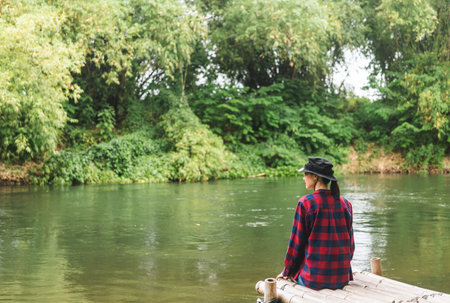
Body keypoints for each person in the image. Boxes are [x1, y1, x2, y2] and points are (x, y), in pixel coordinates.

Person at [276, 157, 354, 290]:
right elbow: (350, 247)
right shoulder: (346, 204)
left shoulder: (306, 203)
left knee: (285, 279)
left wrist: (286, 272)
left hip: (314, 280)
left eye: (306, 174)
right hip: (342, 278)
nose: (303, 178)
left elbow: (296, 245)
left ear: (315, 177)